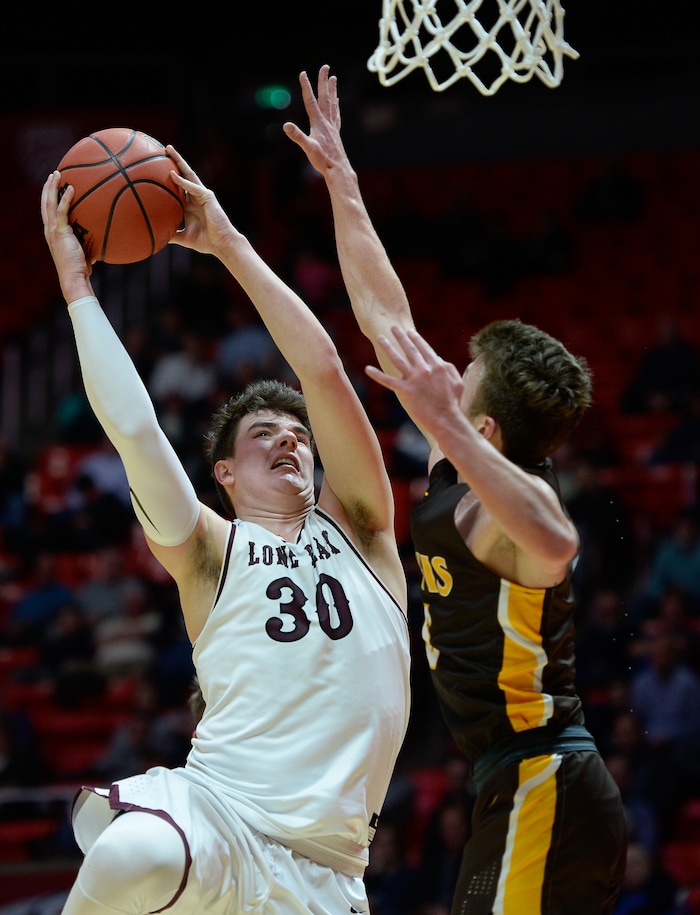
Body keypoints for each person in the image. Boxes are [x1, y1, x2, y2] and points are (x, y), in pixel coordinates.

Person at [284, 65, 628, 914]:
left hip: (548, 772)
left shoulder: (514, 510)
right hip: (511, 782)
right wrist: (343, 180)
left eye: (464, 375)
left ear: (491, 426)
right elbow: (380, 309)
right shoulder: (457, 464)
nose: (449, 369)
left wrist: (451, 428)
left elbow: (556, 540)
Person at [41, 142, 410, 915]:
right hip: (220, 814)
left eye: (297, 433)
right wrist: (78, 287)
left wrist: (229, 243)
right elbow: (138, 434)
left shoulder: (368, 535)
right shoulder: (211, 551)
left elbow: (327, 372)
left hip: (329, 868)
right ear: (226, 477)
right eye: (262, 435)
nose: (289, 438)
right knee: (133, 853)